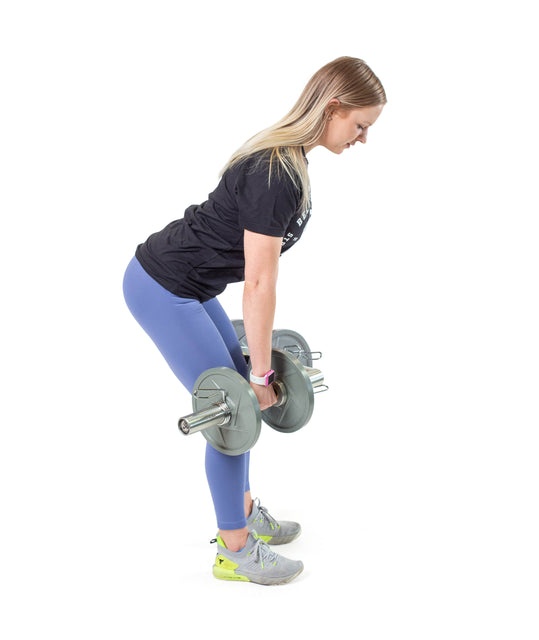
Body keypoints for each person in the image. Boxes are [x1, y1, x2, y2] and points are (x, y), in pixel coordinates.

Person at [123, 56, 386, 585]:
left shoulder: (290, 160)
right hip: (162, 287)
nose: (362, 139)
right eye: (360, 125)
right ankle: (235, 549)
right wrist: (262, 374)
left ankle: (242, 513)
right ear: (332, 107)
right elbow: (261, 284)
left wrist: (260, 367)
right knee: (229, 411)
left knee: (235, 400)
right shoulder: (276, 174)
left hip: (190, 287)